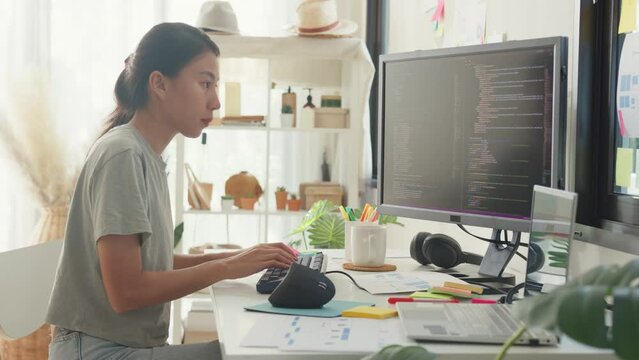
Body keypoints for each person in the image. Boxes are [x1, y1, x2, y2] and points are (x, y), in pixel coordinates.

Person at [46, 22, 298, 360]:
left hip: (124, 345)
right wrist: (227, 268)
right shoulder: (123, 154)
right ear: (159, 84)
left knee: (256, 350)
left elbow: (154, 264)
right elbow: (127, 291)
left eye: (215, 85)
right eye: (205, 83)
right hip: (98, 351)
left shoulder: (145, 154)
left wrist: (244, 258)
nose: (216, 101)